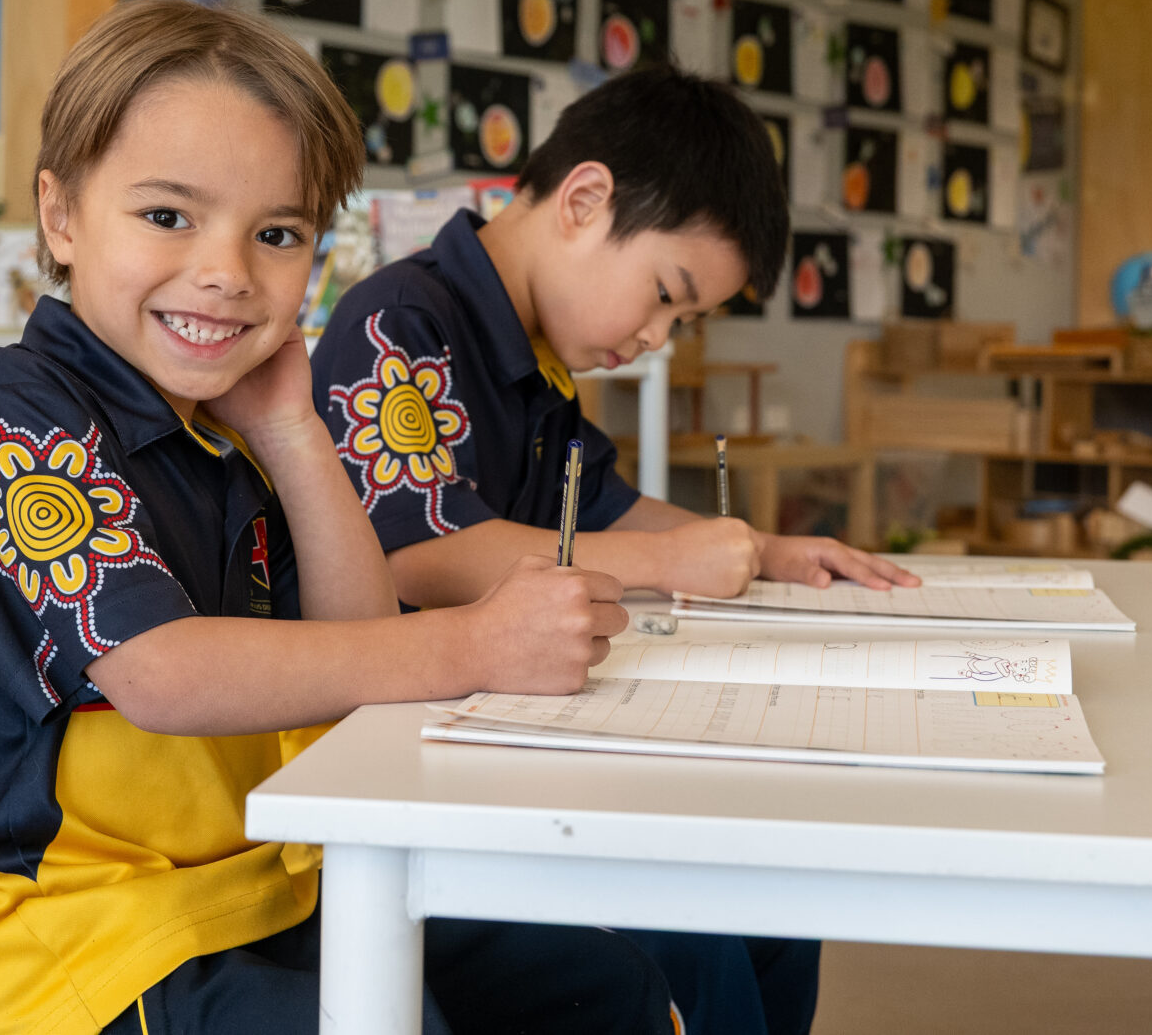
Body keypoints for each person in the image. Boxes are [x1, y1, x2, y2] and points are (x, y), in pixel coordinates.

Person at [0, 0, 684, 1035]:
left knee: (605, 987)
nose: (227, 272)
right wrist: (474, 642)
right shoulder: (16, 410)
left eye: (276, 235)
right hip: (71, 937)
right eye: (167, 217)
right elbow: (162, 674)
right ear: (61, 214)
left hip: (253, 881)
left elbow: (357, 641)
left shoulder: (229, 423)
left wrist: (295, 433)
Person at [311, 63, 922, 1034]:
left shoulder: (536, 356)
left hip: (512, 729)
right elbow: (417, 549)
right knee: (693, 929)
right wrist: (670, 564)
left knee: (776, 898)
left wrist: (765, 548)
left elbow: (607, 505)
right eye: (664, 296)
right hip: (404, 756)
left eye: (682, 321)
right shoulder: (399, 320)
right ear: (584, 200)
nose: (656, 337)